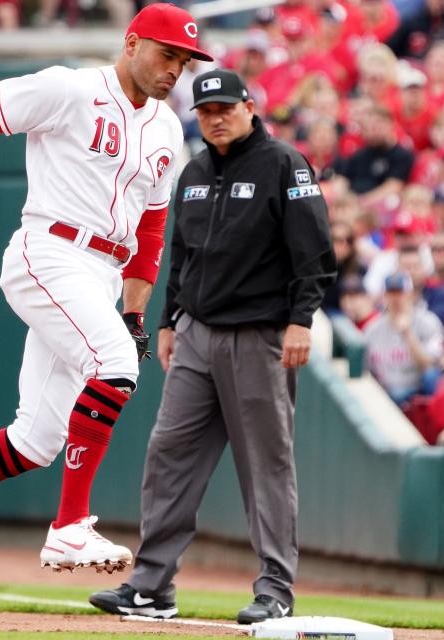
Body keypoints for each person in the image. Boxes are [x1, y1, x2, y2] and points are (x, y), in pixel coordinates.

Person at [0, 2, 213, 584]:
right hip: (49, 249)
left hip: (103, 272)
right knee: (117, 365)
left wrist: (132, 310)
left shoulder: (169, 128)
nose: (175, 68)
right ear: (131, 43)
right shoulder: (70, 89)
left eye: (184, 60)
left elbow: (152, 227)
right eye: (166, 53)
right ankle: (69, 527)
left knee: (36, 441)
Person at [89, 68, 335, 624]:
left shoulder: (284, 165)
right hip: (197, 334)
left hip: (259, 334)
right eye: (205, 111)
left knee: (266, 466)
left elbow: (314, 253)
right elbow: (182, 253)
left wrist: (301, 320)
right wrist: (171, 319)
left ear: (250, 107)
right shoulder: (194, 171)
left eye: (224, 107)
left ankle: (275, 588)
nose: (215, 117)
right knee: (168, 454)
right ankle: (151, 587)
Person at [365, 273, 444, 405]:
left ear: (411, 295)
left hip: (417, 391)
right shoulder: (372, 329)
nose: (396, 299)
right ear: (385, 296)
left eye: (400, 293)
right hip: (384, 393)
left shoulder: (429, 322)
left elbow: (429, 365)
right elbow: (365, 369)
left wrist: (407, 334)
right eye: (391, 293)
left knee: (431, 376)